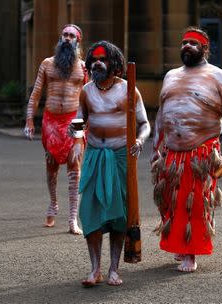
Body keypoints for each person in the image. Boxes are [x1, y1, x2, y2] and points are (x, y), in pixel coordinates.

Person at [150, 26, 222, 272]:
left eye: (193, 43)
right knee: (170, 201)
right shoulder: (170, 76)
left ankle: (191, 255)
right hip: (171, 152)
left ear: (205, 48)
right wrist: (155, 147)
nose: (186, 46)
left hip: (201, 150)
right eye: (184, 42)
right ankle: (180, 245)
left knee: (194, 204)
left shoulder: (218, 76)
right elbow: (161, 114)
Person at [74, 41, 150, 286]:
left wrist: (139, 140)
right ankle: (94, 269)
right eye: (94, 59)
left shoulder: (129, 90)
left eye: (103, 59)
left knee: (118, 215)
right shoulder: (86, 91)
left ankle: (114, 269)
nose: (98, 63)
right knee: (90, 212)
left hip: (120, 156)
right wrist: (73, 134)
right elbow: (79, 121)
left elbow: (145, 124)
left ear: (114, 63)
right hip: (95, 155)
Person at [24, 24, 87, 235]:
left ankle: (72, 219)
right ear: (60, 38)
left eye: (72, 36)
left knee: (75, 167)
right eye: (65, 35)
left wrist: (91, 124)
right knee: (51, 166)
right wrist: (29, 120)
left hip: (74, 121)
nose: (68, 38)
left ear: (78, 41)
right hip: (51, 121)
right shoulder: (47, 64)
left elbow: (89, 97)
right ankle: (53, 203)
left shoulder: (84, 68)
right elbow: (35, 93)